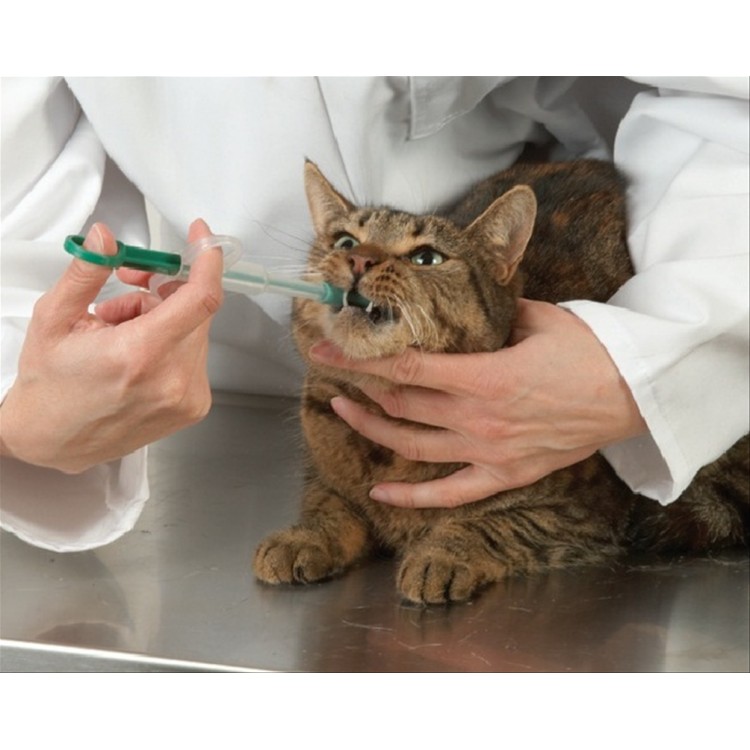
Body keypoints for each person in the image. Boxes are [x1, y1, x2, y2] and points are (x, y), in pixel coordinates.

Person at [1, 77, 747, 551]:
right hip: (235, 398)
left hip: (603, 324)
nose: (361, 262)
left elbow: (722, 97)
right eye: (346, 245)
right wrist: (18, 412)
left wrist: (644, 360)